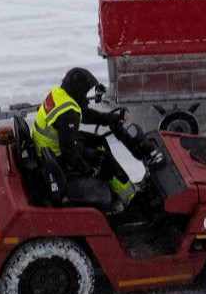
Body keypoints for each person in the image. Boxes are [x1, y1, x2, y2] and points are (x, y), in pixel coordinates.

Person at [30, 66, 137, 208]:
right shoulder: (68, 112)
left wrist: (109, 118)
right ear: (78, 90)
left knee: (98, 141)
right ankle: (131, 199)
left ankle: (110, 185)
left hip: (47, 148)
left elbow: (84, 114)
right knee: (104, 159)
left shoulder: (60, 94)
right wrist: (87, 168)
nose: (86, 96)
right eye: (85, 92)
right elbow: (68, 149)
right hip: (56, 156)